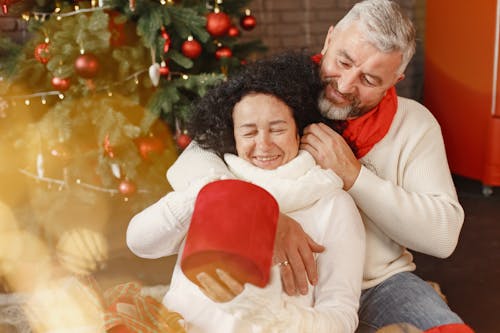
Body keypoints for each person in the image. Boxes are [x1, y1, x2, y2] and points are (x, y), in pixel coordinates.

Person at [165, 0, 466, 332]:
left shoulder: (414, 124)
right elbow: (188, 163)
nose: (346, 85)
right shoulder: (278, 90)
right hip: (278, 276)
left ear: (396, 78)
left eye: (369, 79)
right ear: (329, 39)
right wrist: (261, 214)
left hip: (376, 284)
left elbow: (443, 236)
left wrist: (354, 176)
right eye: (343, 61)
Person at [127, 52, 366, 332]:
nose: (263, 145)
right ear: (234, 138)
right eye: (249, 133)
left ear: (298, 133)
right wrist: (218, 191)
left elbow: (340, 320)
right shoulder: (210, 182)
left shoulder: (333, 204)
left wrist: (259, 309)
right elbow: (140, 243)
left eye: (277, 130)